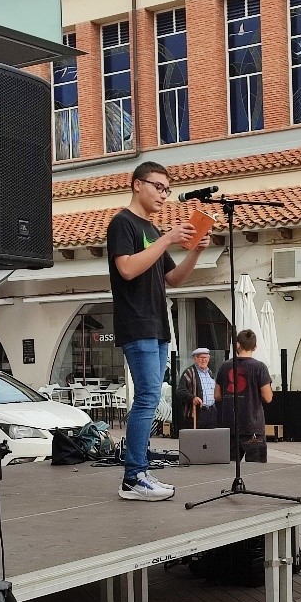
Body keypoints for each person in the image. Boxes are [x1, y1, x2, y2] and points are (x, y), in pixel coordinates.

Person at [107, 161, 211, 501]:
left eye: (167, 189)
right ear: (137, 184)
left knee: (149, 398)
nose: (163, 195)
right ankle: (134, 477)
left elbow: (173, 279)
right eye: (158, 187)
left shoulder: (150, 229)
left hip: (157, 325)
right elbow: (126, 269)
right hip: (137, 323)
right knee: (148, 398)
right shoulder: (122, 223)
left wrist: (194, 252)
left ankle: (139, 474)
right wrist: (167, 238)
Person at [215, 329, 272, 462]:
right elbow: (268, 397)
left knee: (229, 469)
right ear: (255, 346)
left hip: (229, 426)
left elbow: (217, 395)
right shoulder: (259, 367)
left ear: (237, 345)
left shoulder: (225, 366)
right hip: (252, 427)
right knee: (256, 470)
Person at [177, 347, 218, 429]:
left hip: (211, 412)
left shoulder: (209, 373)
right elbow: (180, 392)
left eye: (206, 357)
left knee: (211, 438)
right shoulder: (189, 373)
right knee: (198, 439)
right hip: (197, 413)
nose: (204, 360)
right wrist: (192, 398)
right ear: (195, 359)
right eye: (201, 358)